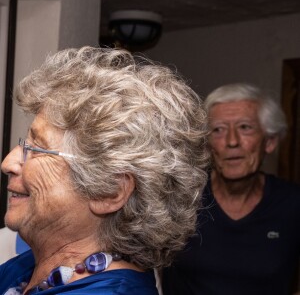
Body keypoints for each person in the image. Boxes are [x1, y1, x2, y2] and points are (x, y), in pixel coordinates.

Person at [0, 46, 209, 295]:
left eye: (38, 149)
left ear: (109, 192)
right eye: (25, 143)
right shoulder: (30, 266)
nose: (8, 163)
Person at [162, 83, 300, 295]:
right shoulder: (181, 197)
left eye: (245, 127)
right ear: (207, 146)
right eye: (218, 130)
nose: (232, 141)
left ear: (269, 142)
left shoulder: (292, 204)